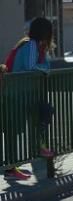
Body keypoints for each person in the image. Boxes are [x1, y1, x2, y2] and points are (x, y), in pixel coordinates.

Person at [2, 17, 56, 180]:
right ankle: (13, 166)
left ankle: (13, 167)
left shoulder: (28, 43)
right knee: (15, 130)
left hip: (18, 92)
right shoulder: (31, 44)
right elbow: (31, 66)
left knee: (41, 112)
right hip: (18, 93)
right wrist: (45, 70)